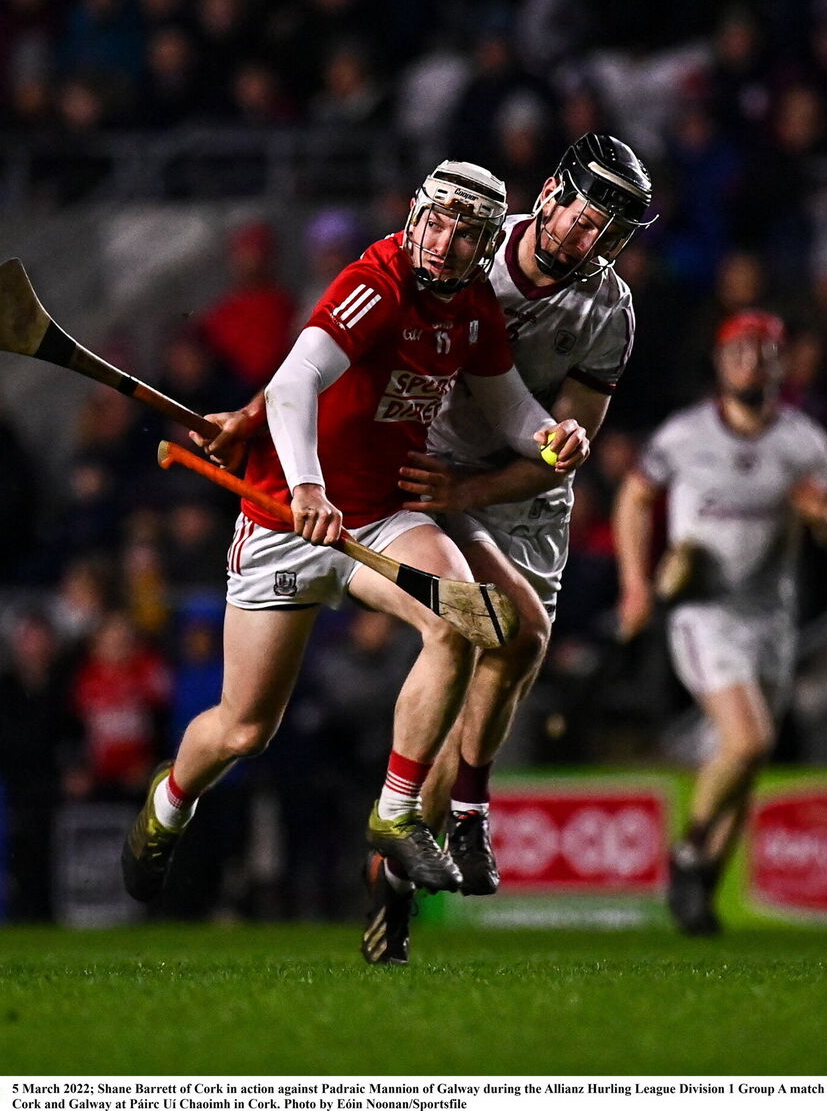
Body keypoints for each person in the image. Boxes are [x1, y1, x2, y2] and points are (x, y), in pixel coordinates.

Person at [121, 159, 586, 908]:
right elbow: (297, 380)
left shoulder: (472, 309)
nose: (443, 243)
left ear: (484, 244)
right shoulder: (377, 281)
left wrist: (549, 436)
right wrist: (305, 486)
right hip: (283, 521)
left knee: (461, 617)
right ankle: (169, 804)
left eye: (464, 234)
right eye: (435, 223)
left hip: (380, 515)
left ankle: (397, 813)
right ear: (414, 215)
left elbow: (507, 408)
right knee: (244, 731)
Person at [363, 132, 657, 965]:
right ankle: (468, 815)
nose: (585, 235)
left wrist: (546, 453)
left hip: (522, 504)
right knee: (510, 634)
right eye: (582, 212)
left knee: (504, 668)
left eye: (607, 228)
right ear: (552, 191)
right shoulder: (472, 240)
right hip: (430, 476)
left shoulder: (609, 308)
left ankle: (397, 863)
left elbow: (568, 446)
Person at [613, 310, 827, 935]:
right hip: (703, 611)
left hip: (772, 616)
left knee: (746, 760)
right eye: (738, 352)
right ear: (720, 363)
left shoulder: (802, 441)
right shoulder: (686, 435)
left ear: (780, 364)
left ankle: (699, 896)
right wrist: (638, 584)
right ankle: (689, 851)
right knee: (747, 740)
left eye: (762, 353)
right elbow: (634, 498)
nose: (750, 363)